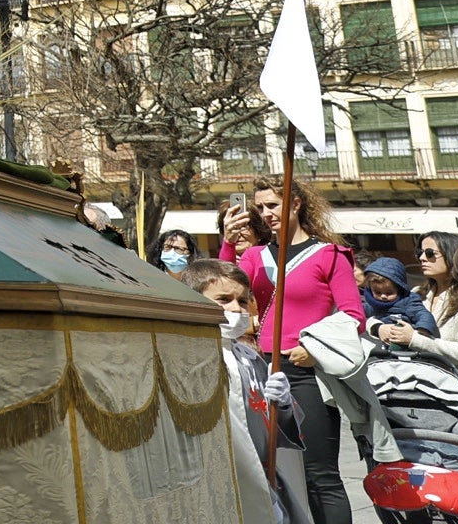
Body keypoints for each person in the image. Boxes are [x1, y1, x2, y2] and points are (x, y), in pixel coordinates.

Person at [222, 175, 361, 524]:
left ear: (295, 204)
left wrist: (313, 348)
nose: (266, 213)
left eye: (273, 205)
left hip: (306, 374)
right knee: (269, 472)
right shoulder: (255, 255)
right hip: (260, 369)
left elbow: (353, 316)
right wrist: (227, 244)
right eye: (260, 207)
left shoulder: (329, 255)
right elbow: (222, 289)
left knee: (320, 477)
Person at [182, 258, 312, 524]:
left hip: (263, 475)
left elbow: (276, 426)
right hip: (218, 480)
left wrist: (283, 404)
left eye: (242, 301)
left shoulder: (251, 357)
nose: (236, 309)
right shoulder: (189, 358)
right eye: (224, 299)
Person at [359, 256, 439, 340]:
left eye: (389, 293)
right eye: (378, 292)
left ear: (400, 289)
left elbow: (422, 314)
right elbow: (360, 312)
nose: (383, 296)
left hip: (403, 339)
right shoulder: (372, 303)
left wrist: (422, 330)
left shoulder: (407, 301)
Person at [415, 231, 458, 315]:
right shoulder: (416, 293)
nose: (422, 258)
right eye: (420, 252)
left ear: (452, 255)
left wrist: (413, 329)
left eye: (429, 253)